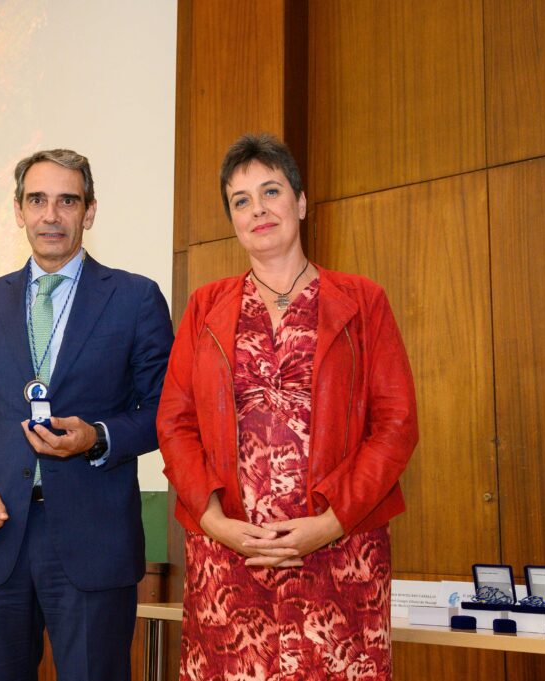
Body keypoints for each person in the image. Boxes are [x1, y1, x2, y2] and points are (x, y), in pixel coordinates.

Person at [157, 133, 418, 680]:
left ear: (299, 202)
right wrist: (214, 521)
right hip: (229, 560)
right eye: (241, 200)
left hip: (339, 559)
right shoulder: (205, 306)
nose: (258, 209)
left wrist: (331, 523)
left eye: (271, 191)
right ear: (233, 220)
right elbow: (175, 423)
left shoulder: (363, 300)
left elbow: (395, 425)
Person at [0, 149, 174, 681]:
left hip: (94, 538)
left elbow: (165, 411)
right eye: (37, 200)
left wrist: (98, 436)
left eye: (67, 201)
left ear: (89, 211)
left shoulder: (135, 298)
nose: (51, 215)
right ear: (19, 211)